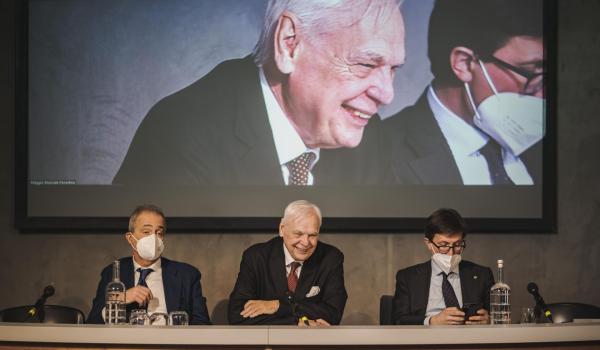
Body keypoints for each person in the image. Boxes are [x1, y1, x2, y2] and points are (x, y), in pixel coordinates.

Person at [113, 0, 405, 186]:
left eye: (393, 69)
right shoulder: (181, 134)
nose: (387, 94)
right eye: (366, 63)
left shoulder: (370, 139)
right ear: (289, 44)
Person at [384, 0, 544, 185]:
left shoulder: (547, 147)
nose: (542, 94)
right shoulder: (380, 154)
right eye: (532, 72)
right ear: (464, 64)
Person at [228, 200, 347, 325]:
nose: (306, 242)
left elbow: (333, 314)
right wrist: (297, 321)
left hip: (312, 342)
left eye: (312, 235)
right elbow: (237, 315)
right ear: (282, 229)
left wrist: (278, 306)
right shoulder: (256, 257)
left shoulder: (330, 258)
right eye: (298, 234)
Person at [87, 204, 211, 325]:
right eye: (146, 232)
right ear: (130, 239)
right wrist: (121, 299)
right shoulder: (113, 272)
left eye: (159, 233)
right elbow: (93, 322)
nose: (154, 238)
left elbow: (202, 323)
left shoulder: (187, 275)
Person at [392, 208, 494, 325]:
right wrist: (431, 321)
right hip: (425, 339)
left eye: (458, 245)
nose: (451, 253)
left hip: (470, 339)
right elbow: (398, 319)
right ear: (429, 244)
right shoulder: (408, 277)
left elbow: (498, 316)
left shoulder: (482, 274)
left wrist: (490, 320)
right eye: (443, 245)